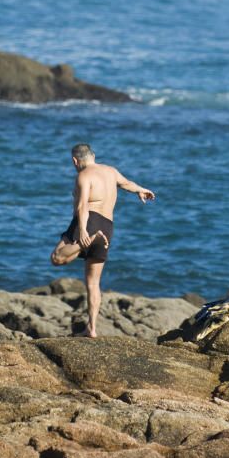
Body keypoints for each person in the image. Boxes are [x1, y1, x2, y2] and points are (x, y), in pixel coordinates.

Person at [50, 143, 155, 338]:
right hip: (107, 226)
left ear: (75, 160)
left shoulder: (84, 175)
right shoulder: (111, 171)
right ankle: (92, 329)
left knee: (57, 258)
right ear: (93, 156)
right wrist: (140, 190)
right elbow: (126, 183)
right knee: (93, 282)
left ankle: (85, 242)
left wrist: (82, 231)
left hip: (89, 222)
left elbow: (82, 206)